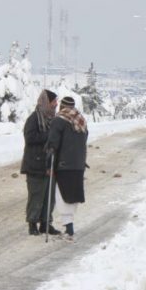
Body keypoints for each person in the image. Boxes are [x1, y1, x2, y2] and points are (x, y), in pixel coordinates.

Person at [46, 96, 89, 242]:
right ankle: (69, 228)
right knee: (72, 196)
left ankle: (69, 229)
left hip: (64, 165)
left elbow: (53, 143)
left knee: (62, 195)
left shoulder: (59, 120)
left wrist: (49, 160)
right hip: (78, 165)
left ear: (62, 107)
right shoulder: (81, 120)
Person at [20, 90, 61, 236]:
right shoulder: (34, 118)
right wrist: (48, 136)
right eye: (53, 102)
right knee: (36, 195)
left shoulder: (54, 119)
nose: (56, 104)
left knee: (48, 196)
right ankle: (32, 224)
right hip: (35, 164)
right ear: (46, 102)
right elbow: (29, 138)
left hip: (50, 164)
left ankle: (46, 223)